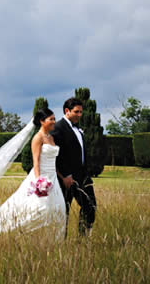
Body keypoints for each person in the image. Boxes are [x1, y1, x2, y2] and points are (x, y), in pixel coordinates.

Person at [0, 108, 66, 236]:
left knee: (59, 208)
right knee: (40, 208)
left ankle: (55, 238)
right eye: (50, 119)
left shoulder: (51, 138)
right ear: (42, 121)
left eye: (54, 119)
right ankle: (21, 232)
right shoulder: (38, 138)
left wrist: (61, 176)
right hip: (42, 177)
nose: (54, 121)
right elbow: (36, 161)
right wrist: (38, 182)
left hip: (53, 178)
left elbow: (53, 161)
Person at [51, 97, 96, 236]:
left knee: (90, 206)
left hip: (83, 177)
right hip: (66, 179)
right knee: (64, 210)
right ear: (67, 111)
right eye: (76, 112)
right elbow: (56, 155)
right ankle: (60, 242)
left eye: (81, 112)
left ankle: (83, 239)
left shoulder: (78, 129)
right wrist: (65, 176)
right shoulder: (58, 128)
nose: (79, 115)